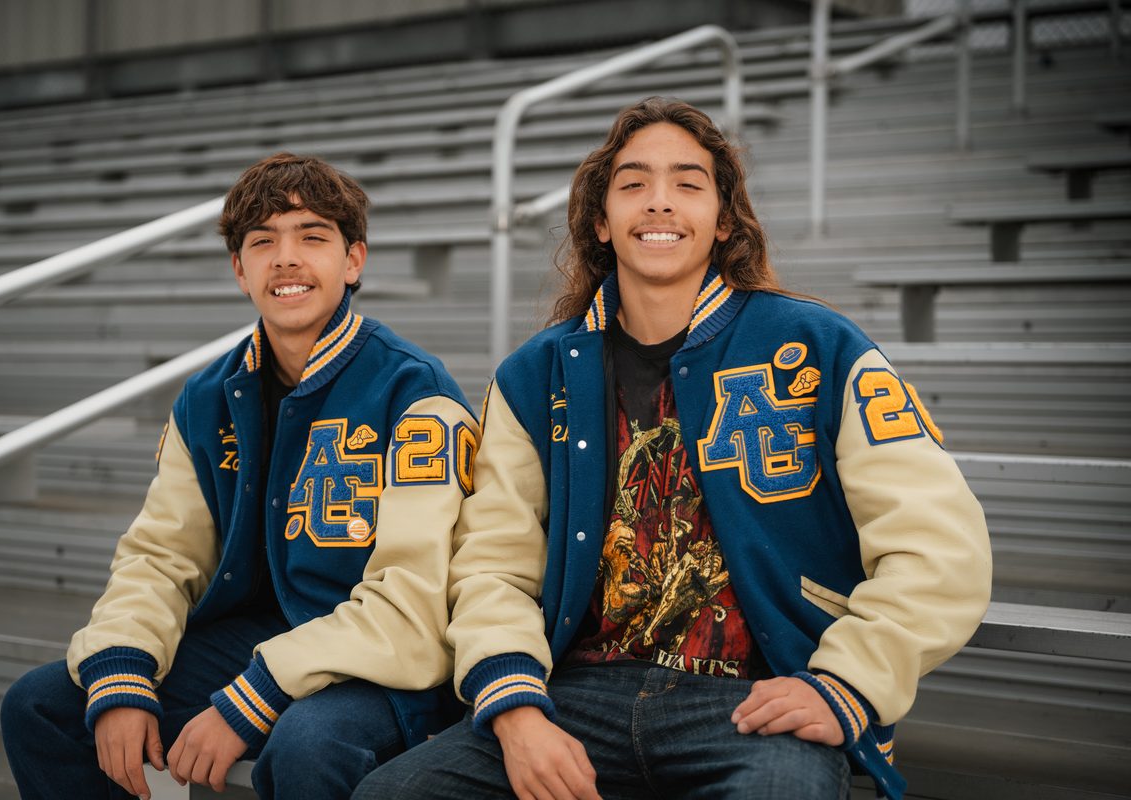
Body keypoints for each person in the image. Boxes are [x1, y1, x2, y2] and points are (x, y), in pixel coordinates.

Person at [352, 98, 991, 800]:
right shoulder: (534, 377)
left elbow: (937, 544)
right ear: (601, 221)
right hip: (576, 694)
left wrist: (847, 682)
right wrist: (516, 708)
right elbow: (494, 567)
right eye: (633, 184)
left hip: (757, 699)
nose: (659, 201)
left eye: (688, 183)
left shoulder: (818, 347)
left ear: (724, 219)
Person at [1, 152, 477, 799]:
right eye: (263, 242)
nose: (286, 258)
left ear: (353, 261)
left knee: (307, 745)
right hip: (254, 642)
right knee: (41, 707)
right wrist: (122, 670)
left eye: (312, 237)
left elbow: (415, 602)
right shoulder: (207, 398)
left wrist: (250, 697)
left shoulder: (416, 392)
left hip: (384, 658)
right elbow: (161, 556)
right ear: (239, 270)